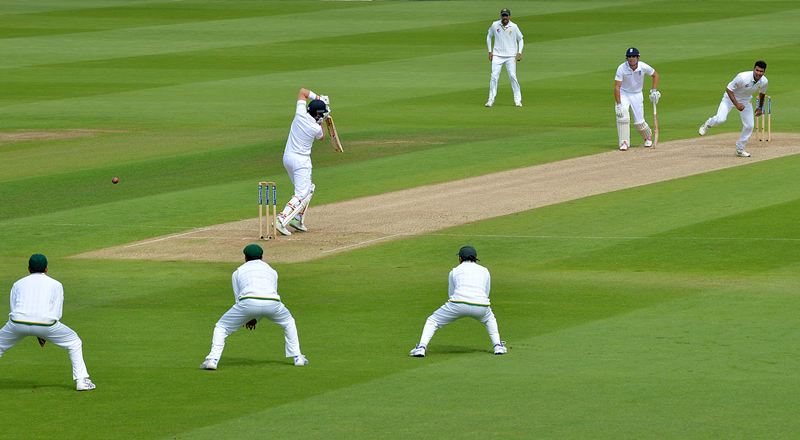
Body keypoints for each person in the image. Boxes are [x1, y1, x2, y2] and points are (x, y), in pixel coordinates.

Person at [200, 244, 308, 369]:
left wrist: (249, 317)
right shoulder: (272, 271)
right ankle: (298, 357)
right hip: (273, 302)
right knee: (289, 322)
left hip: (247, 302)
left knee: (221, 327)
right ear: (262, 257)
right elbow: (267, 295)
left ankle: (212, 360)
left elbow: (238, 299)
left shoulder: (238, 271)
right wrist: (255, 318)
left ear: (245, 257)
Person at [0, 254, 96, 391]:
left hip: (17, 321)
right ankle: (82, 381)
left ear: (28, 268)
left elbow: (14, 308)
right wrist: (43, 333)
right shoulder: (56, 284)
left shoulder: (18, 283)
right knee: (74, 342)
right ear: (46, 269)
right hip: (46, 323)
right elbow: (57, 313)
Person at [409, 246, 507, 357]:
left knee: (432, 320)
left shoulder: (454, 271)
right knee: (490, 319)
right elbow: (486, 292)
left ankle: (421, 347)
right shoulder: (485, 270)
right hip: (481, 304)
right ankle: (498, 346)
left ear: (460, 258)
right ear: (475, 258)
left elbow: (451, 294)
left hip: (458, 303)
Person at [274, 88, 330, 236]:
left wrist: (318, 98)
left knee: (309, 189)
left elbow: (302, 92)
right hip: (301, 163)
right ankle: (281, 219)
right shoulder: (314, 128)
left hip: (287, 158)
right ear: (317, 115)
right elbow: (322, 136)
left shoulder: (299, 114)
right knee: (301, 194)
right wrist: (323, 120)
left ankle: (297, 219)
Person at [699, 60, 769, 158]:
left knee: (749, 126)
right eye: (757, 70)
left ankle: (740, 149)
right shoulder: (742, 77)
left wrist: (760, 108)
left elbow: (762, 94)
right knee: (721, 119)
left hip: (745, 101)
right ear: (754, 69)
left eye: (761, 71)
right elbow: (729, 89)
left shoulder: (764, 81)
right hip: (729, 98)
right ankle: (708, 123)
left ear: (764, 72)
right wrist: (736, 104)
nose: (758, 73)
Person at [614, 47, 660, 151]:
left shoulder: (643, 66)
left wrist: (653, 90)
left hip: (637, 94)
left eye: (633, 56)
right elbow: (617, 86)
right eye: (629, 57)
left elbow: (655, 75)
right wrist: (619, 104)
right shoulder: (621, 68)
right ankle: (624, 142)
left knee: (639, 122)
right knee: (622, 117)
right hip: (624, 93)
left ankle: (647, 136)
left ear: (638, 57)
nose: (631, 59)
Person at [485, 8, 524, 107]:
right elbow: (489, 36)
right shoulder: (495, 25)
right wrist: (490, 51)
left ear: (509, 16)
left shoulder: (514, 26)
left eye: (506, 15)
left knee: (512, 76)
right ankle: (491, 99)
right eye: (503, 15)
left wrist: (519, 52)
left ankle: (518, 100)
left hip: (511, 56)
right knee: (494, 77)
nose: (505, 17)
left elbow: (521, 39)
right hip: (497, 55)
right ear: (501, 16)